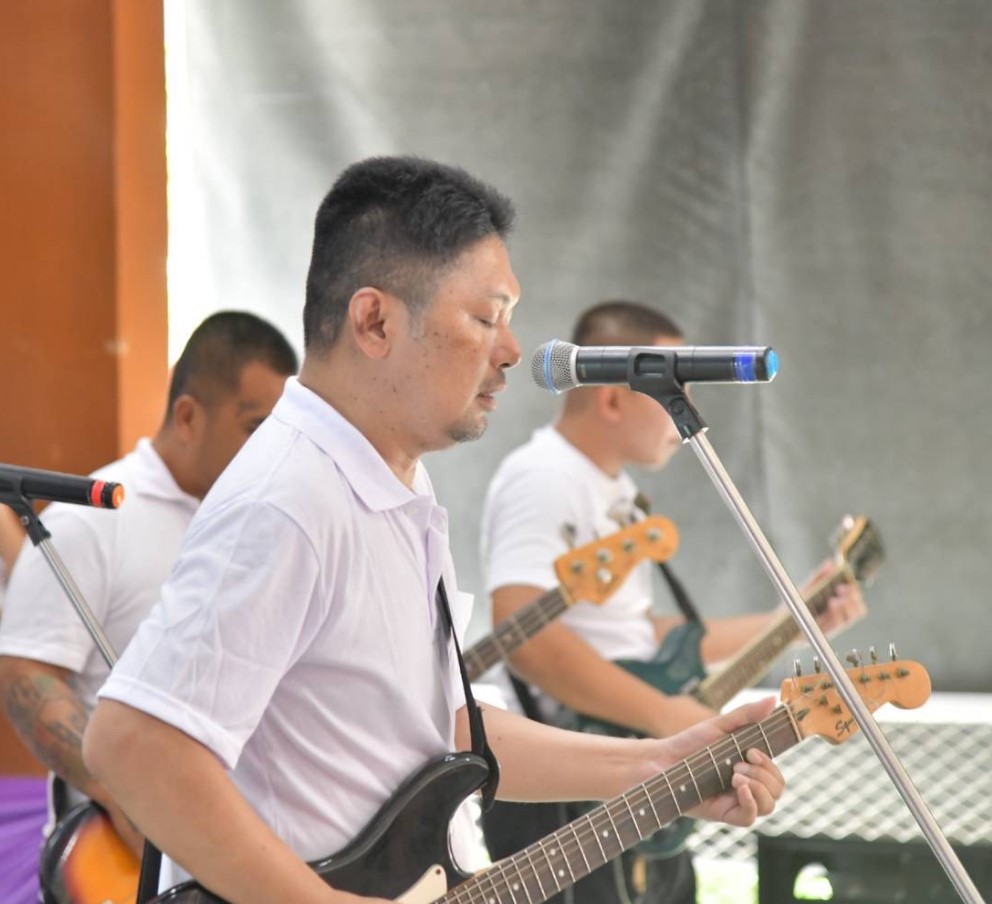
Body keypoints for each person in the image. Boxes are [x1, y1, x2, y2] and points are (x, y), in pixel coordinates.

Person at [82, 157, 785, 904]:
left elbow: (441, 728)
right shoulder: (285, 499)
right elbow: (134, 743)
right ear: (375, 321)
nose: (510, 350)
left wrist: (661, 765)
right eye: (486, 318)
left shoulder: (395, 484)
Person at [479, 299, 866, 903]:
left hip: (627, 767)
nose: (686, 405)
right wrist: (668, 722)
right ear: (613, 399)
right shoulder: (544, 476)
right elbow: (526, 639)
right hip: (567, 789)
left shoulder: (614, 489)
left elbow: (641, 635)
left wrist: (792, 622)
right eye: (675, 386)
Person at [0, 311, 298, 856]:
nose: (271, 452)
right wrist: (121, 790)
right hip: (121, 862)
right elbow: (25, 672)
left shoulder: (268, 522)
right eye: (255, 428)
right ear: (187, 416)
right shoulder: (92, 517)